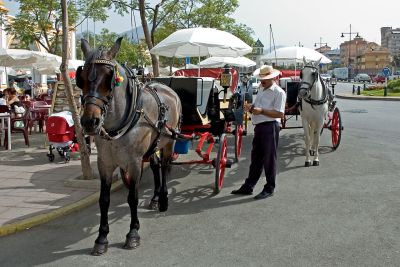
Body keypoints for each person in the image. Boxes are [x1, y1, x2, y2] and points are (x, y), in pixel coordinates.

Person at [231, 65, 286, 200]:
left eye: (265, 79)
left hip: (271, 126)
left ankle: (269, 187)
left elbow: (280, 114)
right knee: (256, 158)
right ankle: (249, 185)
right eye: (261, 78)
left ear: (272, 78)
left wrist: (261, 111)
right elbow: (258, 107)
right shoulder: (262, 88)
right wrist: (251, 108)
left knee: (269, 159)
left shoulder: (279, 92)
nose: (262, 81)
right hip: (260, 126)